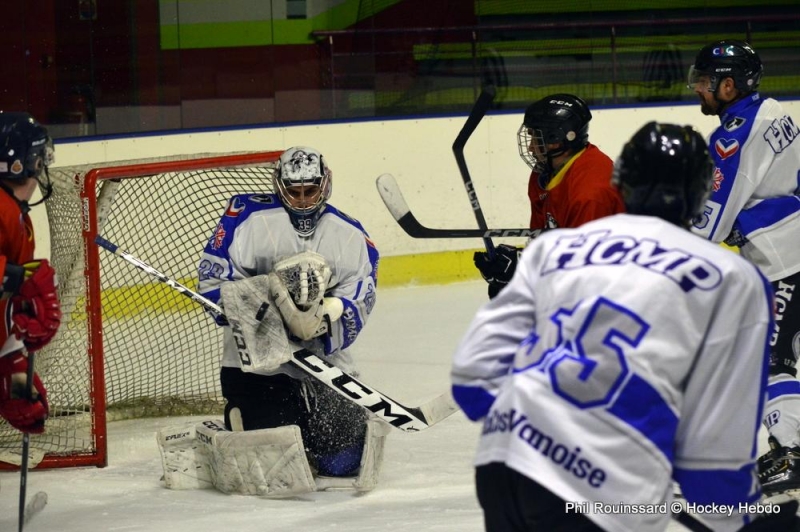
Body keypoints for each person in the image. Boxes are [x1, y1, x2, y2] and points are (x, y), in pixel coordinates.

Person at [451, 122, 798, 531]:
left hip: (504, 466)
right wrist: (746, 520)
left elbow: (472, 381)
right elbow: (713, 456)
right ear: (702, 193)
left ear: (623, 184)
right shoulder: (731, 280)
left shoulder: (555, 250)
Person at [196, 146, 380, 487]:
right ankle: (243, 413)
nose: (302, 199)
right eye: (294, 191)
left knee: (343, 463)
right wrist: (267, 312)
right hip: (258, 364)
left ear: (323, 185)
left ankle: (306, 419)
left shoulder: (348, 232)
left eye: (310, 190)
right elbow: (211, 284)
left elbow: (362, 291)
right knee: (276, 465)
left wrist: (325, 317)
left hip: (323, 360)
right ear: (279, 185)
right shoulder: (245, 218)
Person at [687, 39, 800, 495]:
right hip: (788, 248)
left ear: (728, 85)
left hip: (785, 259)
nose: (698, 89)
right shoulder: (778, 112)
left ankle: (791, 451)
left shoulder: (736, 132)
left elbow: (711, 222)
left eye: (704, 82)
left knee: (770, 359)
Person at [474, 93, 624, 298]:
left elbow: (587, 271)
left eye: (536, 137)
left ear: (555, 140)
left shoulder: (590, 192)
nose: (530, 147)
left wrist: (522, 270)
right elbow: (544, 243)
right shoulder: (544, 174)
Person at [0, 112, 60, 435]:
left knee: (27, 403)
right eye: (39, 156)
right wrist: (21, 281)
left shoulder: (14, 211)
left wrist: (12, 361)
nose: (42, 164)